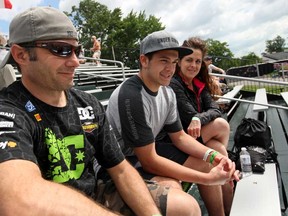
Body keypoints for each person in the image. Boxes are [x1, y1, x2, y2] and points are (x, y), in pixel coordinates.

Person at [0, 7, 164, 216]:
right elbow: (19, 200)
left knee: (183, 206)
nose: (76, 61)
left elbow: (121, 170)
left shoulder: (88, 103)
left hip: (93, 194)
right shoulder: (8, 110)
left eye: (76, 50)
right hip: (48, 208)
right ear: (21, 55)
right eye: (60, 49)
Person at [106, 30, 240, 216]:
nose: (170, 68)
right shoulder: (131, 95)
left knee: (211, 160)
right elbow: (149, 160)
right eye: (163, 60)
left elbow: (180, 137)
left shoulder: (166, 92)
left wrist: (214, 156)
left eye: (174, 62)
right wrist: (207, 179)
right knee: (177, 190)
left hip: (148, 150)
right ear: (144, 61)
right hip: (123, 162)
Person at [169, 36, 233, 214]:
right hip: (181, 140)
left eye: (198, 61)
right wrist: (197, 118)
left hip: (199, 137)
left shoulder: (199, 83)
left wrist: (199, 119)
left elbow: (215, 109)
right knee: (221, 126)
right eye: (189, 60)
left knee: (220, 151)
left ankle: (227, 212)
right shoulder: (174, 84)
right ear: (179, 62)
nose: (194, 65)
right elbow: (189, 116)